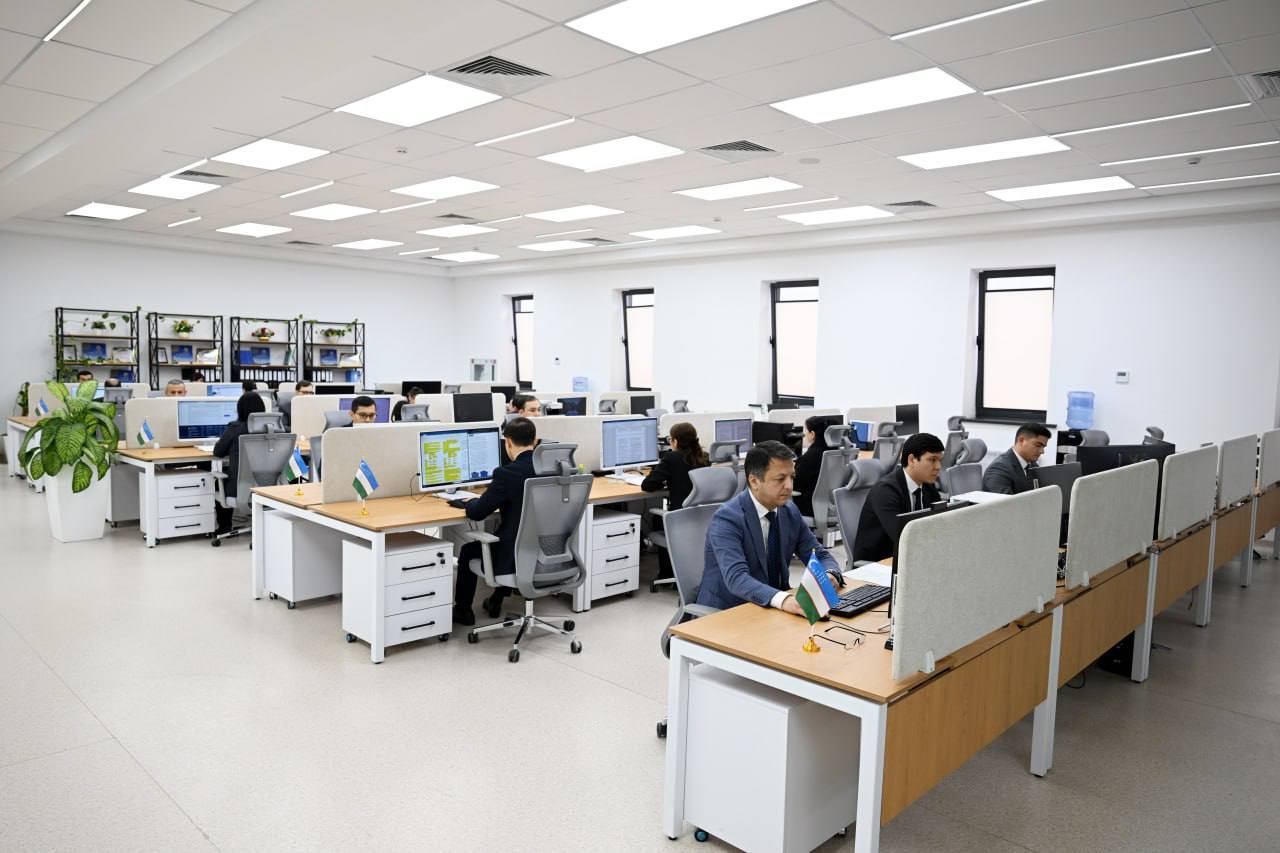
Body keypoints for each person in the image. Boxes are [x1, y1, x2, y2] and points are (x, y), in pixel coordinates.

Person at [696, 441, 841, 612]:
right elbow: (737, 578)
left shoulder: (789, 511)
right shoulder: (727, 519)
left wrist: (830, 574)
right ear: (754, 481)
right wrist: (785, 600)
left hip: (772, 607)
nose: (789, 486)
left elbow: (819, 555)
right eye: (780, 479)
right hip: (730, 611)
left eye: (792, 477)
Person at [452, 416, 538, 626]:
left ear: (507, 442)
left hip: (513, 555)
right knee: (511, 538)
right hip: (545, 553)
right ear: (535, 441)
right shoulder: (554, 469)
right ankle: (496, 599)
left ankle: (463, 611)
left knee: (469, 550)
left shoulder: (507, 473)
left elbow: (478, 513)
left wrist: (471, 502)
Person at [852, 433, 945, 563]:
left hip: (911, 555)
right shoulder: (885, 491)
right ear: (912, 460)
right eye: (932, 460)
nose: (938, 467)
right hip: (879, 562)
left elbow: (941, 520)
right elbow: (902, 536)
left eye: (940, 460)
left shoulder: (927, 485)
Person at [642, 422, 709, 581]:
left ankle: (666, 573)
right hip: (701, 518)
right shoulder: (704, 457)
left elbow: (648, 485)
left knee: (658, 520)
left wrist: (660, 476)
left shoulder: (671, 458)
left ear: (675, 441)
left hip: (681, 519)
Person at [212, 392, 267, 533]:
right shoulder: (273, 428)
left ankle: (225, 527)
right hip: (267, 489)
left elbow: (218, 452)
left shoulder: (235, 428)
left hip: (239, 491)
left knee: (218, 480)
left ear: (239, 409)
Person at [982, 423, 1051, 494]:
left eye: (1043, 447)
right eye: (1038, 445)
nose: (1042, 451)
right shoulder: (999, 469)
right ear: (1021, 440)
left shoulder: (1033, 465)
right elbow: (1006, 500)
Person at [792, 415, 831, 517]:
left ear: (812, 434)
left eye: (806, 431)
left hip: (808, 507)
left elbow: (796, 484)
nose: (804, 434)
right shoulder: (834, 453)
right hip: (830, 505)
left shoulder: (811, 456)